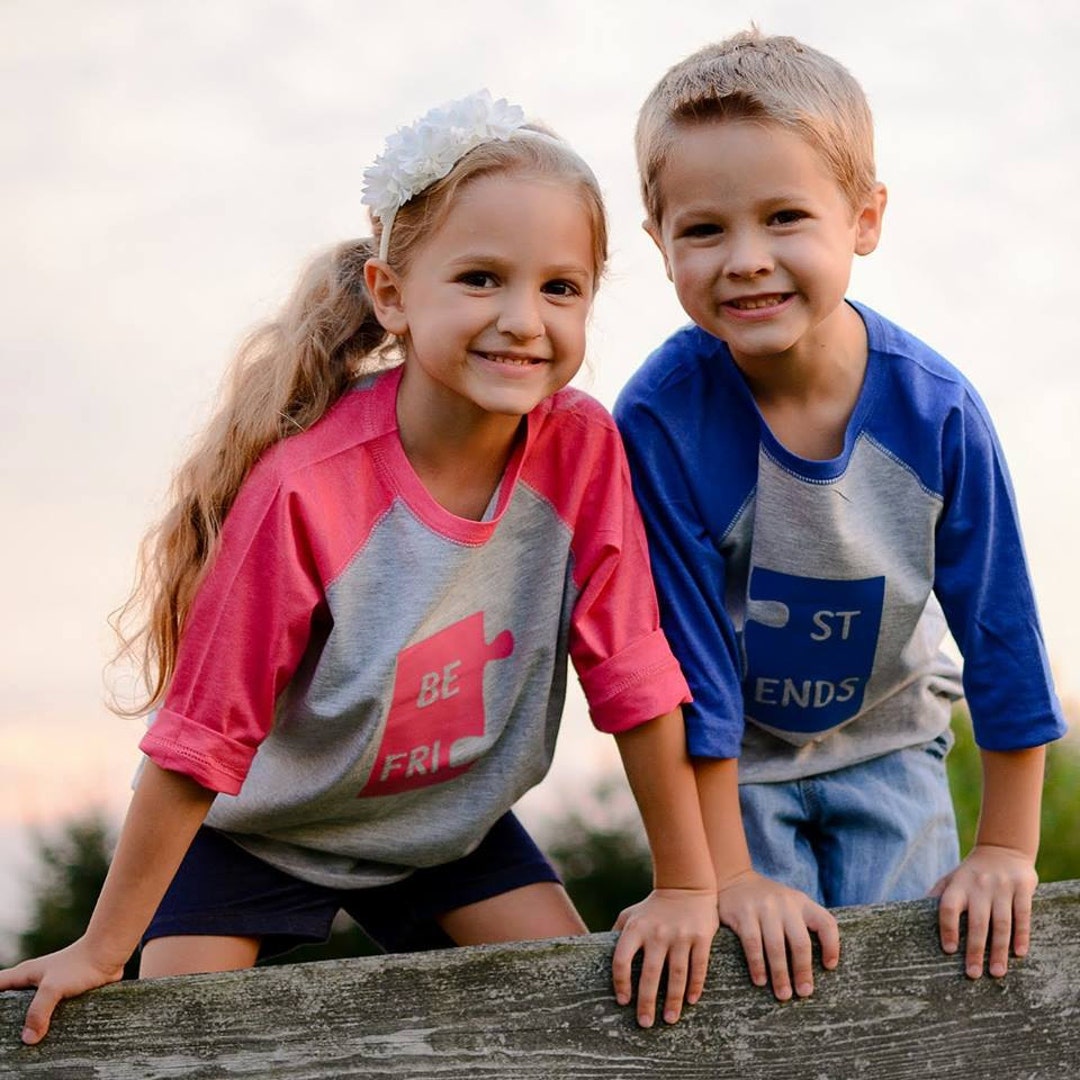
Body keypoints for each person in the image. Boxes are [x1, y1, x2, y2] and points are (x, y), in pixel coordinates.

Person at [1, 90, 719, 1044]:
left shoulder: (582, 448)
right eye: (480, 279)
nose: (523, 319)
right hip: (263, 832)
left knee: (590, 1023)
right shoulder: (307, 488)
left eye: (560, 288)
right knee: (181, 1044)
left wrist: (686, 886)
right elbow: (201, 736)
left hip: (448, 827)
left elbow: (630, 667)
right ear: (391, 295)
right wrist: (101, 947)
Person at [614, 30, 1066, 1004]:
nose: (747, 260)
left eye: (785, 217)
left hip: (891, 742)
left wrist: (1005, 848)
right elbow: (686, 666)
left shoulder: (936, 412)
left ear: (864, 218)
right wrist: (729, 876)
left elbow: (1001, 632)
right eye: (705, 230)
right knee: (758, 991)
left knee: (912, 992)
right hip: (732, 772)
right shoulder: (659, 422)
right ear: (659, 243)